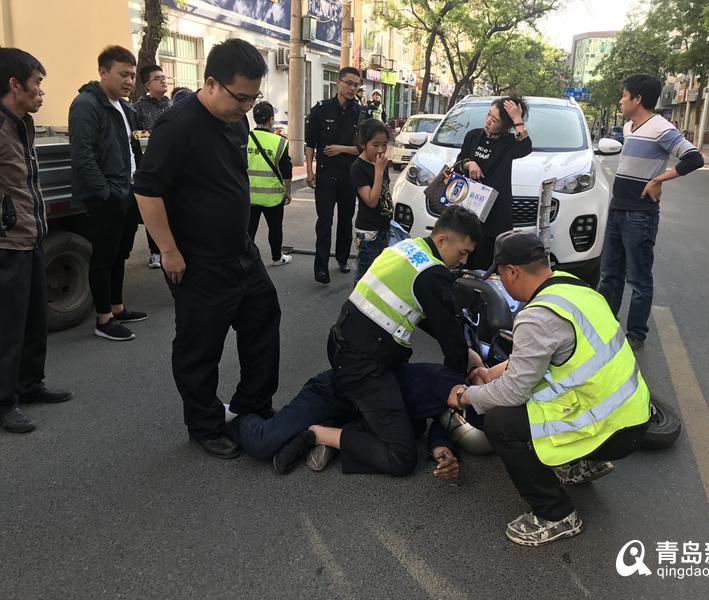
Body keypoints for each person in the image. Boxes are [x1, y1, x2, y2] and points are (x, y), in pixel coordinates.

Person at [449, 230, 651, 547]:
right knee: (530, 400)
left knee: (500, 421)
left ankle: (556, 514)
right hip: (633, 412)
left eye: (500, 276)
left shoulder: (536, 316)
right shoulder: (573, 288)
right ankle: (582, 463)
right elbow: (550, 356)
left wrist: (465, 396)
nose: (500, 283)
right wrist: (495, 371)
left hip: (611, 427)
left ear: (512, 272)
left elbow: (512, 394)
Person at [134, 39, 280, 459]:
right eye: (241, 97)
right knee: (200, 347)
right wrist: (168, 251)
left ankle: (254, 405)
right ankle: (205, 424)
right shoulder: (178, 126)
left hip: (240, 253)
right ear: (211, 82)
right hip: (197, 262)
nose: (248, 107)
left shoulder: (235, 120)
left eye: (255, 98)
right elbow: (146, 190)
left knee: (262, 322)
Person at [276, 206, 484, 476]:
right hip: (367, 364)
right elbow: (450, 338)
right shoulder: (433, 273)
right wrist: (459, 383)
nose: (464, 261)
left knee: (411, 421)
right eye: (463, 252)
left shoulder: (409, 247)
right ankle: (318, 434)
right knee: (402, 458)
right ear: (442, 240)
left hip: (350, 348)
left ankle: (338, 428)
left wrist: (465, 356)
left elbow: (431, 321)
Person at [597, 74, 704, 350]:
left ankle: (635, 334)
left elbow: (694, 158)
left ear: (637, 98)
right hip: (618, 210)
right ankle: (605, 326)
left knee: (638, 278)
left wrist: (658, 180)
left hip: (640, 215)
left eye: (624, 94)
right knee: (609, 275)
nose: (620, 100)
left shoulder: (661, 128)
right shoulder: (630, 127)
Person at [0, 48, 73, 433]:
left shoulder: (22, 123)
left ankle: (29, 384)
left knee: (32, 320)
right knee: (7, 328)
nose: (41, 93)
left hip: (31, 238)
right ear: (14, 85)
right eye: (37, 84)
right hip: (6, 243)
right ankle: (4, 400)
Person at [225, 362, 461, 480]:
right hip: (333, 393)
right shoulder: (443, 378)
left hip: (367, 411)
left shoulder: (456, 390)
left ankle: (327, 435)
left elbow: (442, 417)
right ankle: (235, 415)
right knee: (262, 443)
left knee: (414, 430)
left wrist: (441, 447)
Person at [68, 45, 147, 342]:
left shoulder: (124, 107)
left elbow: (129, 149)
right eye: (123, 74)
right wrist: (105, 192)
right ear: (103, 72)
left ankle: (117, 307)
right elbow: (83, 155)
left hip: (126, 190)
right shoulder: (87, 104)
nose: (129, 81)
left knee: (119, 254)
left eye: (132, 75)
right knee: (102, 257)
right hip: (106, 196)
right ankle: (104, 318)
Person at [305, 66, 369, 284]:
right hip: (324, 176)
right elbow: (310, 143)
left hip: (349, 177)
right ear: (338, 83)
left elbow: (364, 148)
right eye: (349, 83)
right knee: (324, 222)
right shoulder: (321, 110)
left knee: (345, 220)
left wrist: (342, 149)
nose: (352, 88)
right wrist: (308, 170)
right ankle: (320, 268)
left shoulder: (362, 114)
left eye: (356, 84)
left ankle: (342, 259)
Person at [456, 96, 532, 269]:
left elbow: (526, 147)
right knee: (464, 259)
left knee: (488, 262)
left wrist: (517, 119)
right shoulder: (473, 136)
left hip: (496, 213)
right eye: (488, 114)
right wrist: (469, 163)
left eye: (495, 119)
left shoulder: (510, 143)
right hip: (470, 208)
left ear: (505, 126)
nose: (488, 121)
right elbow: (459, 162)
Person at [133, 64, 173, 270]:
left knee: (173, 207)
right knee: (153, 209)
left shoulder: (171, 104)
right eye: (158, 78)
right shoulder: (138, 107)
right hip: (151, 165)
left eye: (164, 77)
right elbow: (135, 136)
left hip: (173, 164)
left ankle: (173, 247)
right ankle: (155, 252)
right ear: (148, 84)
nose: (164, 80)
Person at [247, 100, 293, 266]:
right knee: (275, 228)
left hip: (250, 196)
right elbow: (287, 171)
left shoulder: (246, 139)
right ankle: (276, 257)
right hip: (272, 197)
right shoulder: (279, 142)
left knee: (249, 230)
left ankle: (247, 259)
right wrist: (288, 192)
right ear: (271, 119)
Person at [350, 118, 394, 284]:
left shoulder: (379, 164)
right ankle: (356, 308)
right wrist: (378, 172)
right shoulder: (358, 167)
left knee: (380, 276)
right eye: (375, 145)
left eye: (384, 144)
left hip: (384, 228)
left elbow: (385, 194)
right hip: (369, 232)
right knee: (365, 277)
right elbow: (371, 200)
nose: (381, 150)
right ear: (363, 143)